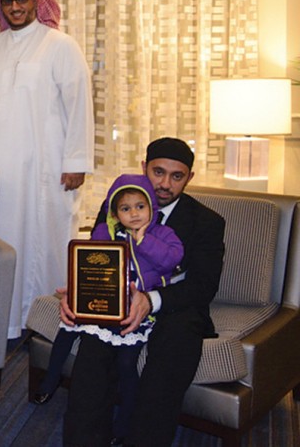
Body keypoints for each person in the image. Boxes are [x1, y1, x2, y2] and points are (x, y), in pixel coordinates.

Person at [59, 137, 226, 447]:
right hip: (118, 300)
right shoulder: (117, 205)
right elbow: (97, 261)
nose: (164, 184)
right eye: (158, 172)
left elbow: (203, 286)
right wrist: (76, 294)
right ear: (143, 168)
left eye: (176, 177)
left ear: (189, 177)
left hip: (176, 306)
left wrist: (151, 301)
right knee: (94, 349)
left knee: (175, 347)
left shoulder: (207, 222)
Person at [0, 0, 94, 338]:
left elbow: (79, 105)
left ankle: (46, 325)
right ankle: (10, 324)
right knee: (2, 241)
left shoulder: (60, 45)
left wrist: (76, 161)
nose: (15, 7)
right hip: (0, 168)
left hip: (46, 168)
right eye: (7, 1)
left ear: (35, 1)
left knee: (47, 244)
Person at [56, 175, 183, 445]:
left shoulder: (161, 234)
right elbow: (90, 266)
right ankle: (55, 393)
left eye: (140, 206)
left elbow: (171, 260)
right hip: (105, 310)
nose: (134, 214)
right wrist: (77, 290)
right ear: (115, 212)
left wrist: (143, 240)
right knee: (79, 346)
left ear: (151, 207)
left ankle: (125, 424)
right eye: (126, 209)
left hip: (141, 315)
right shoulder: (106, 233)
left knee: (127, 366)